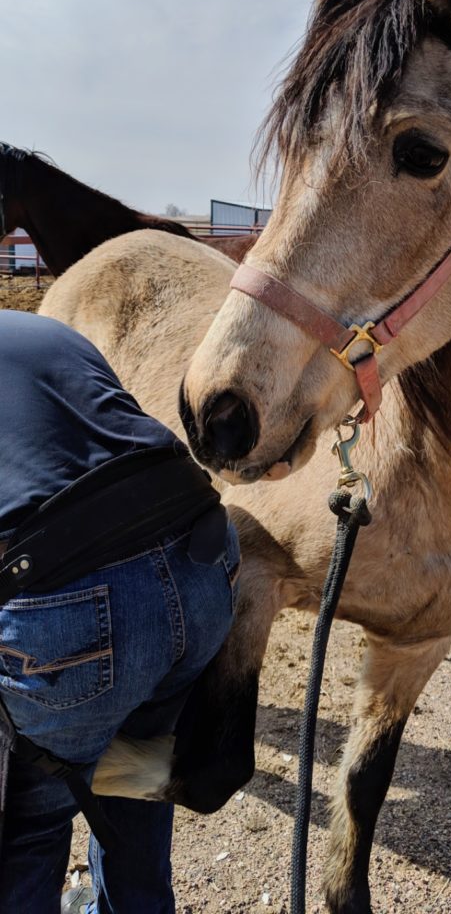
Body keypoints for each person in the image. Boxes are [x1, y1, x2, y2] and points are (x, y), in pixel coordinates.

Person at [0, 310, 240, 913]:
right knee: (135, 775)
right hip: (202, 563)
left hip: (70, 605)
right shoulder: (43, 330)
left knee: (33, 822)